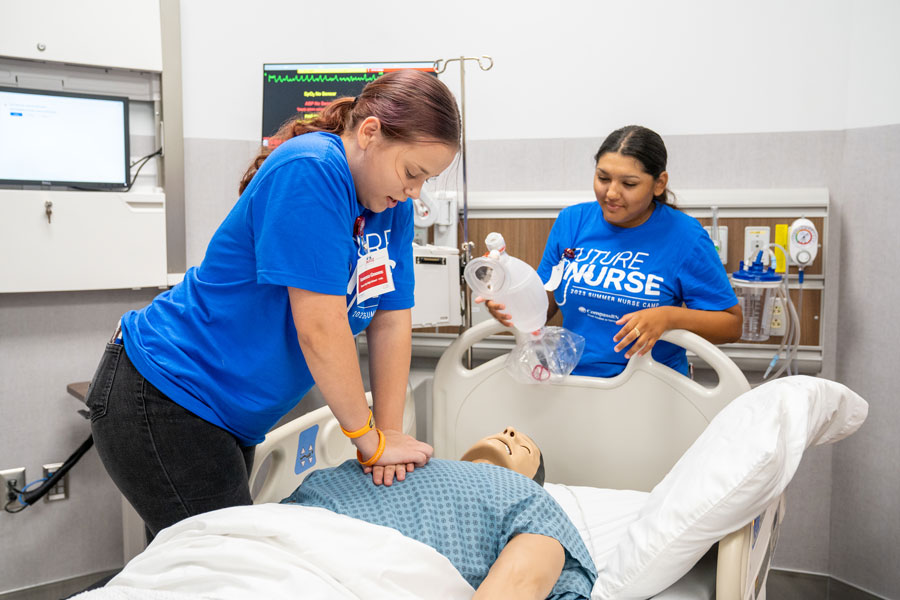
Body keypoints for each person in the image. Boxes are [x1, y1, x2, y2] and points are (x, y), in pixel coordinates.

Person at [85, 69, 460, 537]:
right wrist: (367, 441)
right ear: (369, 133)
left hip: (224, 415)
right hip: (166, 393)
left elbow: (390, 321)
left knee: (190, 574)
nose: (415, 192)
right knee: (222, 572)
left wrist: (387, 439)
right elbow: (319, 330)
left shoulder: (391, 207)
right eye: (411, 173)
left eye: (426, 180)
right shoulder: (312, 169)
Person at [481, 125, 741, 377]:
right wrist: (509, 298)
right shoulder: (573, 221)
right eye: (603, 178)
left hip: (651, 388)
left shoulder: (685, 236)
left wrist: (669, 316)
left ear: (659, 183)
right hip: (572, 382)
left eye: (629, 184)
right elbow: (543, 308)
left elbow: (731, 325)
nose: (611, 193)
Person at [284, 426, 596, 600]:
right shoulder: (406, 461)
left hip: (330, 576)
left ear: (532, 482)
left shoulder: (533, 501)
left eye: (525, 445)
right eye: (504, 429)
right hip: (279, 530)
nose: (509, 430)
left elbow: (518, 583)